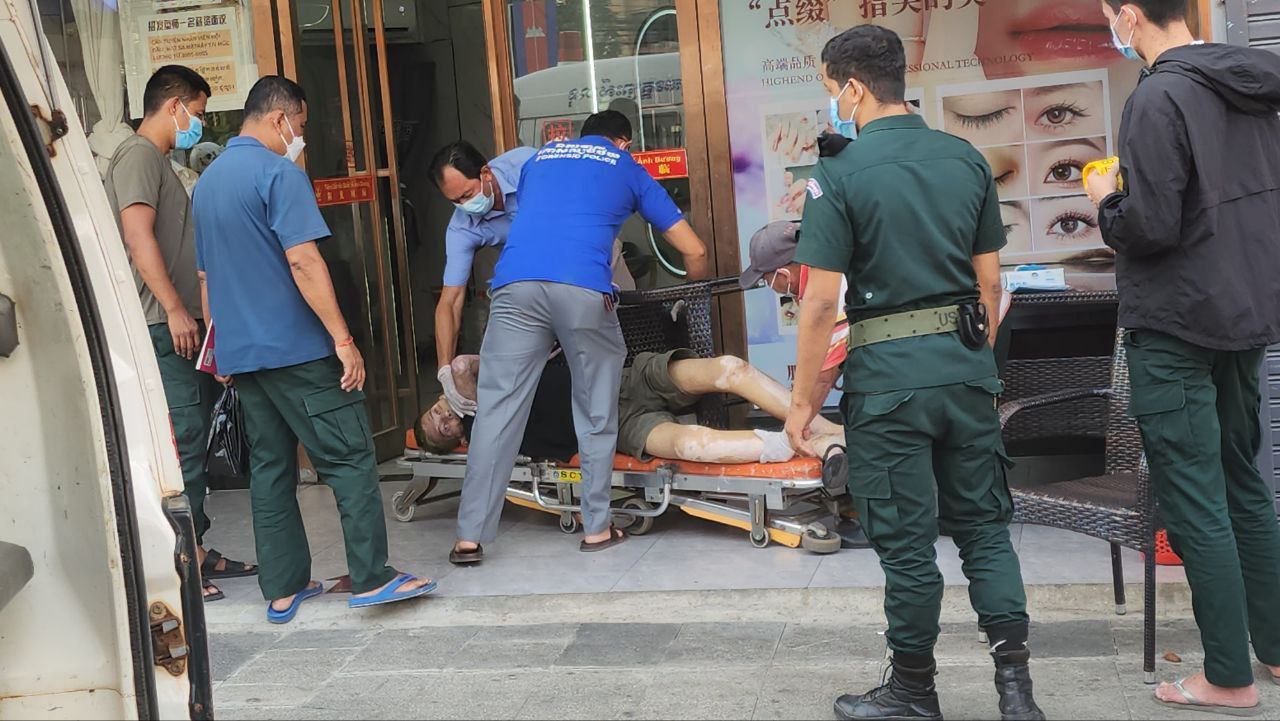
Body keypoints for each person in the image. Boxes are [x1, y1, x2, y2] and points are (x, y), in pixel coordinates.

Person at [784, 26, 1044, 721]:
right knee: (985, 529)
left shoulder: (838, 174)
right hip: (966, 374)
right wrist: (974, 361)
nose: (834, 103)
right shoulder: (964, 158)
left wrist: (802, 403)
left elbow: (819, 304)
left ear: (853, 88)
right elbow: (992, 286)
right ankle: (1017, 692)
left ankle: (913, 691)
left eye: (831, 89)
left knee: (905, 544)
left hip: (888, 386)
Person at [1084, 0, 1280, 713]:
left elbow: (1152, 225)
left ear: (1130, 16)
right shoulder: (1252, 86)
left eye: (1110, 16)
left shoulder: (1158, 95)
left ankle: (1227, 676)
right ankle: (1275, 648)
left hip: (1175, 323)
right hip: (1241, 313)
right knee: (1243, 483)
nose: (1113, 28)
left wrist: (1107, 199)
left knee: (1196, 499)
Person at [193, 75, 434, 624]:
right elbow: (303, 260)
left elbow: (206, 278)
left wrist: (220, 347)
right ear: (280, 118)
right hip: (298, 350)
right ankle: (372, 577)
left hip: (243, 355)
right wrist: (343, 340)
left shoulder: (207, 184)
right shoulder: (279, 174)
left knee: (271, 468)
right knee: (350, 458)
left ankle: (283, 588)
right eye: (299, 125)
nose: (299, 136)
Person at [450, 110, 710, 564]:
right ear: (623, 143)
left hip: (515, 285)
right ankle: (597, 528)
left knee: (496, 410)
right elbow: (695, 249)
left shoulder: (539, 159)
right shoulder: (626, 166)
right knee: (595, 409)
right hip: (583, 288)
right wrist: (694, 300)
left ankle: (468, 538)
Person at [102, 65, 256, 603]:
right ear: (175, 106)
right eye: (199, 112)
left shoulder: (158, 162)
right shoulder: (138, 156)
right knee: (184, 443)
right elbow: (136, 234)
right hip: (164, 326)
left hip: (183, 327)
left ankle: (198, 547)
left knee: (195, 440)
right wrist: (173, 308)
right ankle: (180, 566)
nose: (201, 123)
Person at [429, 141, 637, 417]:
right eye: (455, 201)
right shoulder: (461, 228)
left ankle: (637, 396)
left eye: (467, 194)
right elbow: (451, 301)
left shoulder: (527, 164)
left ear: (486, 173)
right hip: (536, 275)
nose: (465, 206)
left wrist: (593, 278)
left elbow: (582, 208)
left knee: (629, 323)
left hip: (592, 247)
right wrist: (444, 369)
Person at [420, 351, 847, 468]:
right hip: (620, 425)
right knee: (692, 445)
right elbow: (460, 376)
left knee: (729, 368)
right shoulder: (485, 434)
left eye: (435, 412)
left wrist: (457, 394)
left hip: (623, 379)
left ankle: (825, 429)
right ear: (457, 439)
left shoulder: (481, 384)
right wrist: (467, 411)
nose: (442, 418)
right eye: (442, 429)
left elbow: (460, 366)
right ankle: (803, 446)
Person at [740, 220, 850, 418]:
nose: (769, 285)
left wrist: (795, 425)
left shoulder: (827, 292)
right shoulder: (824, 269)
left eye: (766, 279)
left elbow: (823, 378)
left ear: (784, 274)